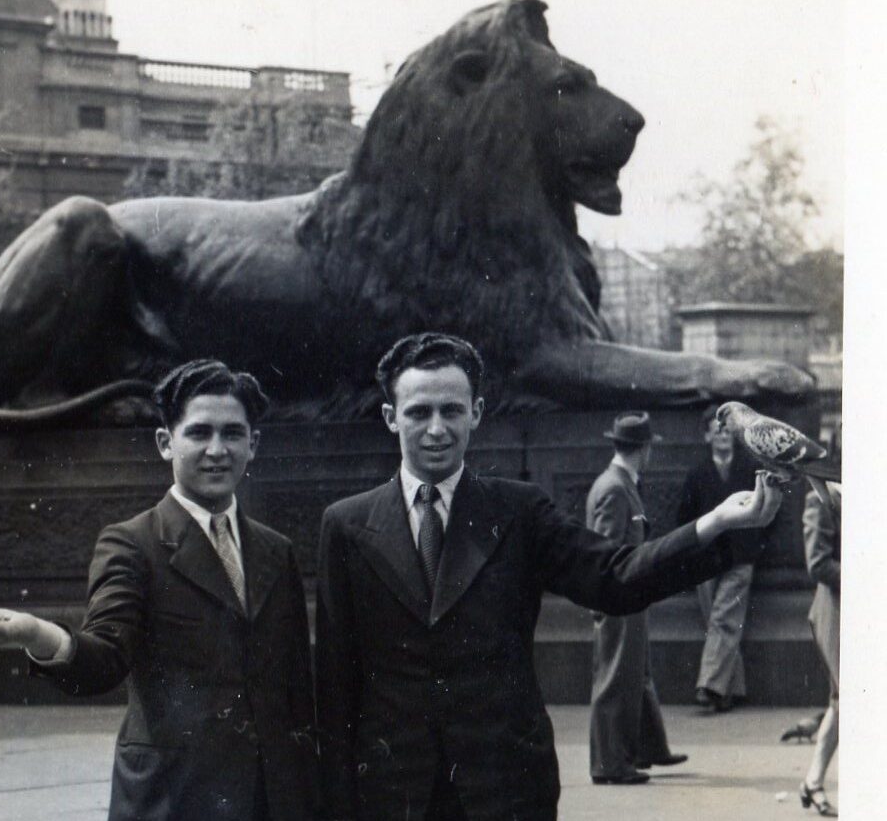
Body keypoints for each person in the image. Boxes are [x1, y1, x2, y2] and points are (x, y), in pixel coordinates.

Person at [315, 332, 782, 821]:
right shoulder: (346, 525)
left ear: (476, 412)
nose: (436, 429)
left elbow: (615, 577)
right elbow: (335, 688)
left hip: (506, 791)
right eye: (418, 413)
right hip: (393, 797)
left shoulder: (519, 511)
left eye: (451, 411)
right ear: (391, 418)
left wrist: (718, 522)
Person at [0, 360, 316, 821]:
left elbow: (296, 689)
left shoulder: (277, 550)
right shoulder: (132, 543)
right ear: (165, 443)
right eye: (199, 433)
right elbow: (105, 658)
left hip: (271, 799)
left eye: (233, 434)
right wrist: (37, 634)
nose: (217, 450)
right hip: (174, 798)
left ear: (253, 445)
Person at [587, 412, 687, 785]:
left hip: (630, 594)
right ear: (643, 449)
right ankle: (609, 764)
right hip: (619, 595)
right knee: (616, 676)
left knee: (636, 672)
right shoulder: (615, 488)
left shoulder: (620, 483)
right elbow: (606, 551)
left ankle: (649, 747)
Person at [676, 406, 766, 713]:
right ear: (707, 436)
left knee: (722, 619)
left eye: (727, 431)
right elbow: (684, 518)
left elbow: (768, 511)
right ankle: (732, 691)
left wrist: (755, 544)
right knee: (723, 623)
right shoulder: (697, 474)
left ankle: (710, 686)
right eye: (717, 431)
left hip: (740, 557)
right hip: (706, 560)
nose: (723, 436)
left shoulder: (749, 470)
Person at [799, 484, 841, 817]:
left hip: (861, 610)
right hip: (836, 611)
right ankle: (813, 782)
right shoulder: (823, 498)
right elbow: (818, 564)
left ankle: (812, 782)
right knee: (847, 699)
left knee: (841, 702)